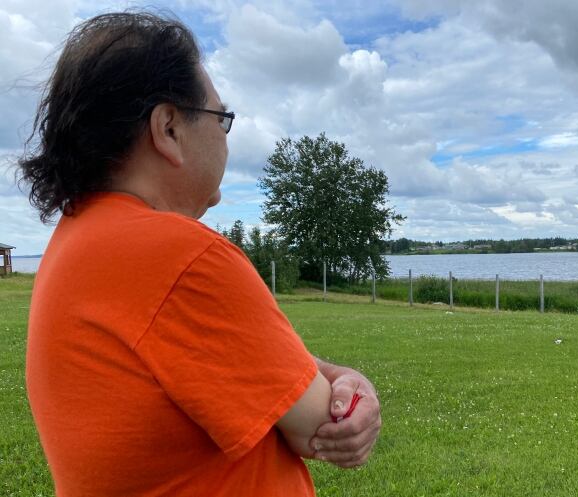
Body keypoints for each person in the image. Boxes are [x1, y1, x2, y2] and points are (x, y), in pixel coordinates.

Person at [19, 11, 380, 497]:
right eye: (220, 118)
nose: (225, 136)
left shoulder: (77, 241)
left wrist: (332, 375)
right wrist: (346, 387)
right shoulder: (180, 257)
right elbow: (319, 426)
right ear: (168, 128)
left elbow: (249, 370)